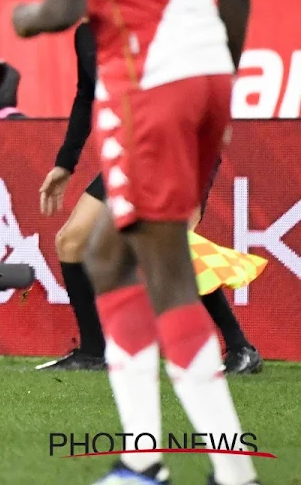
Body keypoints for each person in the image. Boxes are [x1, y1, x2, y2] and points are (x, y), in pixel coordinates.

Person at [11, 0, 259, 485]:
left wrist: (21, 20)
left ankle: (230, 466)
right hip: (212, 73)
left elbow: (58, 6)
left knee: (164, 274)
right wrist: (217, 82)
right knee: (104, 251)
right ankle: (141, 458)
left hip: (146, 80)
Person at [38, 21, 263, 374]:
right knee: (72, 240)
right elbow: (86, 97)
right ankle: (94, 352)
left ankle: (240, 348)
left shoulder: (155, 23)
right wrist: (64, 164)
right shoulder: (85, 35)